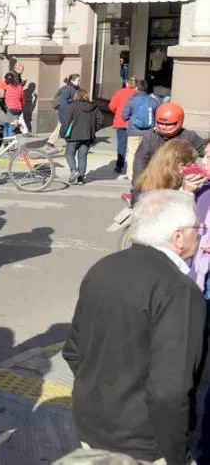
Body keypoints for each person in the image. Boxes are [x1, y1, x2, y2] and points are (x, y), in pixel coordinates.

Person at [63, 190, 206, 465]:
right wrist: (178, 456)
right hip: (144, 443)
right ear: (178, 237)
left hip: (90, 424)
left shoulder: (103, 267)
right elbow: (170, 391)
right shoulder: (179, 290)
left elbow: (73, 350)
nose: (200, 235)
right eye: (197, 228)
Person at [132, 103, 205, 196]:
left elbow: (205, 150)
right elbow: (140, 161)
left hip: (179, 185)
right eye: (160, 123)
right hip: (155, 182)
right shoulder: (150, 137)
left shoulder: (189, 136)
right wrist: (138, 186)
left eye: (168, 124)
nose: (162, 126)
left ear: (179, 121)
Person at [60, 89, 104, 185]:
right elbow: (101, 120)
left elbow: (66, 121)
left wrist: (62, 133)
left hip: (73, 136)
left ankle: (74, 171)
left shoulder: (73, 106)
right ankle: (81, 179)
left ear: (77, 96)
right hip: (87, 136)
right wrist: (93, 129)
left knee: (69, 154)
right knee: (82, 157)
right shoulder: (93, 107)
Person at [121, 79, 160, 183]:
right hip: (149, 132)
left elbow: (124, 116)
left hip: (134, 131)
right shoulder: (153, 101)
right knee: (147, 153)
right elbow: (158, 116)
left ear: (136, 88)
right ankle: (145, 174)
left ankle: (131, 175)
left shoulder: (132, 100)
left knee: (132, 153)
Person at [136, 138, 205, 194]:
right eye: (190, 165)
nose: (194, 167)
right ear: (180, 167)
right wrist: (186, 192)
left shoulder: (143, 184)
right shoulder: (177, 187)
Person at [108, 77, 137, 177]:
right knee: (134, 147)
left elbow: (111, 106)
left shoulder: (120, 92)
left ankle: (119, 166)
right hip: (134, 124)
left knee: (122, 145)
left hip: (121, 122)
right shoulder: (137, 94)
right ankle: (133, 167)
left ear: (127, 83)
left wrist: (118, 112)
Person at [48, 74, 81, 148]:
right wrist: (69, 113)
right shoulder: (67, 89)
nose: (79, 82)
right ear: (72, 80)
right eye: (78, 80)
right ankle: (72, 143)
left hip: (69, 112)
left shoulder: (74, 88)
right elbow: (64, 103)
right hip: (66, 113)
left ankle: (50, 142)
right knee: (66, 127)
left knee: (61, 127)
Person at [3, 71, 25, 138]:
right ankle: (10, 145)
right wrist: (21, 108)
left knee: (6, 127)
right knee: (11, 129)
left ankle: (6, 144)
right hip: (16, 110)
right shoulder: (20, 87)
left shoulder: (6, 87)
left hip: (7, 109)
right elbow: (22, 99)